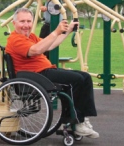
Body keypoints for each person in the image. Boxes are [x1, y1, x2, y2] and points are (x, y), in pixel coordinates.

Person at [6, 8, 99, 138]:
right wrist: (56, 31)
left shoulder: (30, 37)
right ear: (14, 24)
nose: (26, 25)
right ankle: (76, 122)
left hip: (44, 72)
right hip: (36, 75)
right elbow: (36, 50)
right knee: (76, 80)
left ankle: (82, 119)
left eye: (29, 21)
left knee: (85, 77)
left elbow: (49, 45)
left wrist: (67, 31)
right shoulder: (16, 40)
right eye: (22, 21)